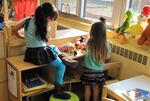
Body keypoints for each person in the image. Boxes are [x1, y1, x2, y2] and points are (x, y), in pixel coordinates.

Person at [11, 2, 79, 99]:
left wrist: (21, 36)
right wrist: (48, 28)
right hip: (40, 54)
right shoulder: (44, 25)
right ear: (47, 17)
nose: (51, 21)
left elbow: (14, 30)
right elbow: (46, 40)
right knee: (61, 66)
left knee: (53, 47)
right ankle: (58, 91)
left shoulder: (27, 20)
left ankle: (64, 57)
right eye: (51, 19)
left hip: (30, 53)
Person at [80, 18, 111, 101]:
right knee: (96, 87)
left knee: (87, 87)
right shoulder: (106, 45)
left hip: (88, 69)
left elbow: (84, 49)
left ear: (92, 31)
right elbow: (107, 57)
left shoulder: (89, 42)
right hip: (98, 71)